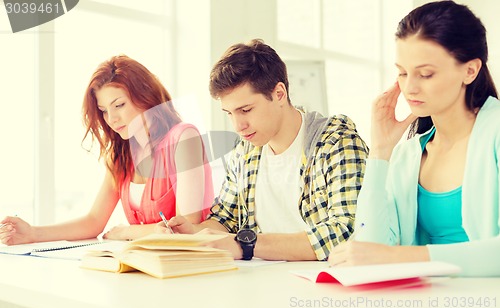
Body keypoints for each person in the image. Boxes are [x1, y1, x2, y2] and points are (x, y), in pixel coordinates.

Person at [329, 1, 500, 276]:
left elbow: (386, 256)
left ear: (470, 70)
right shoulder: (408, 155)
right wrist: (381, 152)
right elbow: (371, 249)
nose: (410, 87)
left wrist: (400, 257)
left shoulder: (495, 133)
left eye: (426, 74)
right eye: (403, 72)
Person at [165, 39, 368, 261]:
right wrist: (192, 233)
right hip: (261, 284)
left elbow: (346, 232)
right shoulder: (245, 152)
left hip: (322, 283)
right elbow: (226, 219)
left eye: (246, 109)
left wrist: (246, 245)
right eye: (229, 113)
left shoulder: (337, 143)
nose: (238, 126)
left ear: (279, 94)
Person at [0, 55, 214, 245]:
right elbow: (94, 221)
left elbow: (185, 227)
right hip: (142, 269)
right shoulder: (121, 155)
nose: (111, 119)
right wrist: (33, 233)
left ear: (145, 96)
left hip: (187, 267)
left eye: (119, 105)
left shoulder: (184, 138)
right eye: (104, 111)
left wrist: (127, 232)